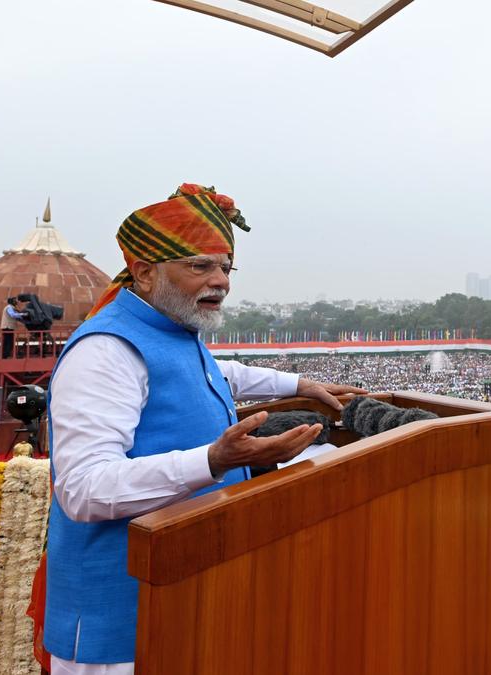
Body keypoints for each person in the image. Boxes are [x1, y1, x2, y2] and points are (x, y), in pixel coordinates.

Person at [41, 184, 364, 675]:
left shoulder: (170, 331)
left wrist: (303, 382)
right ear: (146, 272)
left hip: (191, 601)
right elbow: (84, 490)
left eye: (226, 267)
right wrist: (214, 460)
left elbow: (219, 371)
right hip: (122, 627)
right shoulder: (106, 352)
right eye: (200, 266)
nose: (221, 281)